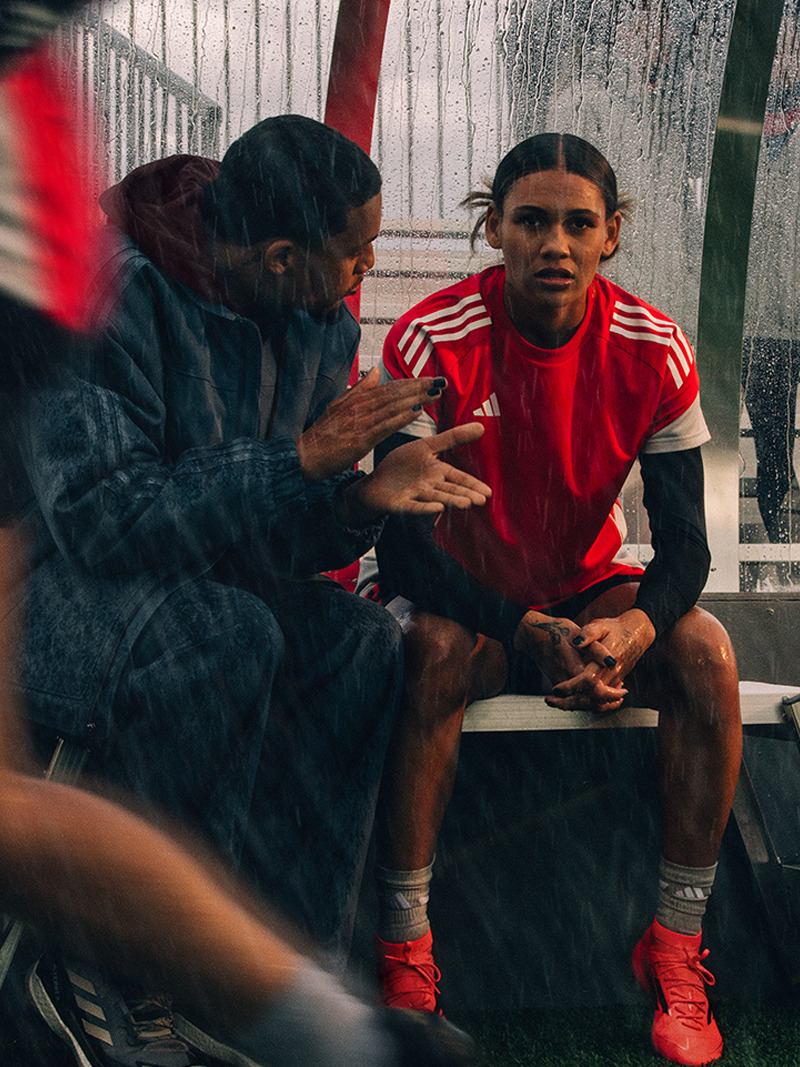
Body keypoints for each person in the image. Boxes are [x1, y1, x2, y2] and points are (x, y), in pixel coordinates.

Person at [6, 111, 490, 1067]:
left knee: (358, 641)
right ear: (277, 257)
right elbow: (102, 521)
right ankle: (127, 965)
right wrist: (303, 457)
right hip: (45, 601)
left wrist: (357, 502)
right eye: (354, 254)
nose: (365, 273)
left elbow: (274, 534)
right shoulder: (105, 294)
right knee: (227, 634)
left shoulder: (318, 315)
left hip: (192, 600)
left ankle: (279, 973)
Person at [369, 134, 742, 1067]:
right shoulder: (430, 336)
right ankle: (406, 952)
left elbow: (687, 544)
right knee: (432, 652)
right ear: (494, 228)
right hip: (471, 597)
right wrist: (524, 629)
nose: (556, 244)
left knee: (705, 654)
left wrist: (632, 626)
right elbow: (401, 543)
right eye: (532, 220)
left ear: (612, 234)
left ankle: (676, 944)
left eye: (580, 223)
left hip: (583, 586)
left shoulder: (653, 347)